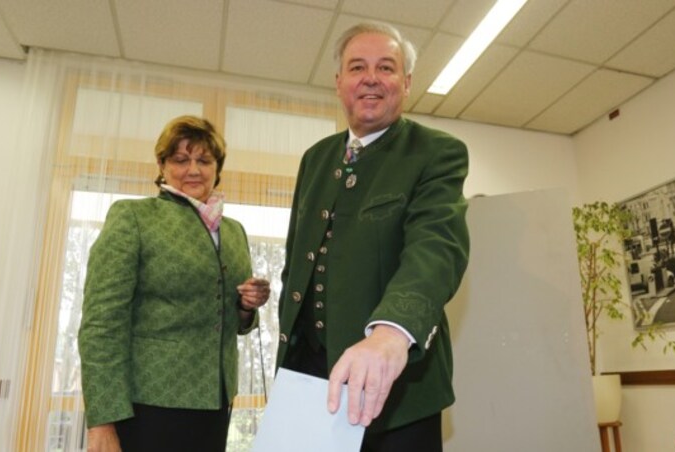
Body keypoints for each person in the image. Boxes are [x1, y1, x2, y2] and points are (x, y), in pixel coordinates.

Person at [276, 22, 469, 452]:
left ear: (406, 82)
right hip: (308, 382)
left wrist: (390, 334)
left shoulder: (436, 152)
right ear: (339, 81)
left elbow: (435, 249)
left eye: (386, 67)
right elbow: (298, 257)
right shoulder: (315, 159)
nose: (371, 77)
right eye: (357, 67)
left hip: (397, 393)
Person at [78, 115, 271, 452]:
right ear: (162, 166)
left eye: (204, 160)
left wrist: (245, 307)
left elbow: (230, 319)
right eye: (181, 160)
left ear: (217, 167)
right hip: (148, 402)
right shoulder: (133, 217)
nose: (193, 170)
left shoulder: (234, 231)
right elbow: (101, 324)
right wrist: (102, 419)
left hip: (216, 401)